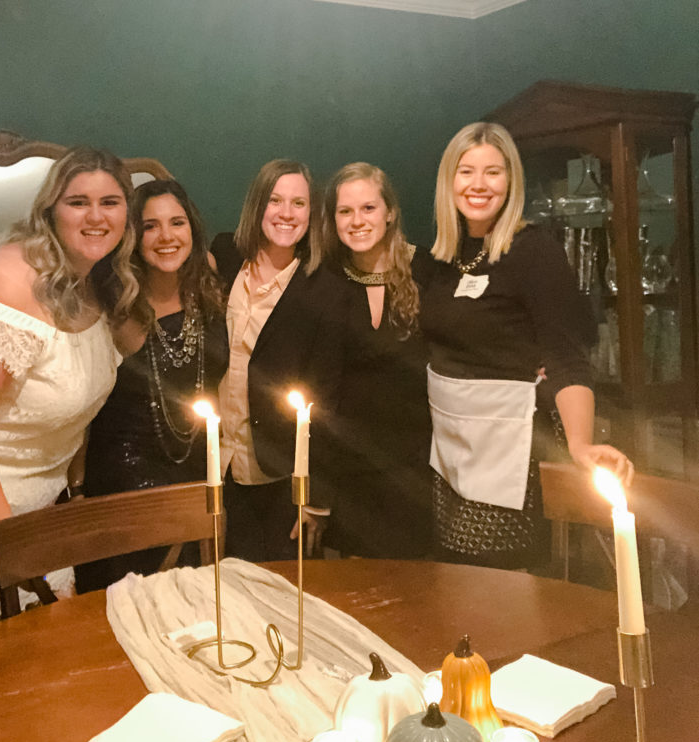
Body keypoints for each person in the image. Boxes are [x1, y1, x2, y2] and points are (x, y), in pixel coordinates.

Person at [0, 147, 137, 640]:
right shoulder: (2, 282)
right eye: (77, 202)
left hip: (39, 524)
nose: (95, 216)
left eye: (110, 202)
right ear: (49, 210)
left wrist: (74, 496)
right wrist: (13, 548)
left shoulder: (92, 286)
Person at [420, 122, 633, 570]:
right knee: (455, 581)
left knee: (500, 584)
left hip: (510, 452)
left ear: (511, 181)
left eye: (493, 172)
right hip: (454, 455)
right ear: (448, 181)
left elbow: (566, 355)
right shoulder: (444, 257)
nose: (478, 184)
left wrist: (580, 444)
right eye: (466, 171)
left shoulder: (534, 250)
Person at [76, 179, 228, 592]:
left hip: (197, 461)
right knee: (142, 597)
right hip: (126, 470)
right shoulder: (112, 300)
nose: (166, 236)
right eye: (150, 226)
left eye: (177, 223)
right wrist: (76, 485)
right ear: (133, 237)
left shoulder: (207, 281)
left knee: (197, 598)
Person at [211, 159, 344, 562]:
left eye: (298, 203)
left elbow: (328, 398)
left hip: (280, 475)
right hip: (214, 465)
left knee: (281, 588)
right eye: (275, 200)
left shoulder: (325, 288)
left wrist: (317, 499)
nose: (286, 213)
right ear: (257, 205)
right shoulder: (225, 256)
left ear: (312, 213)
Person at [322, 162, 434, 558]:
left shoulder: (428, 271)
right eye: (345, 211)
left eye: (368, 208)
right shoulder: (325, 279)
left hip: (419, 467)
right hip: (350, 470)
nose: (357, 221)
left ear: (390, 212)